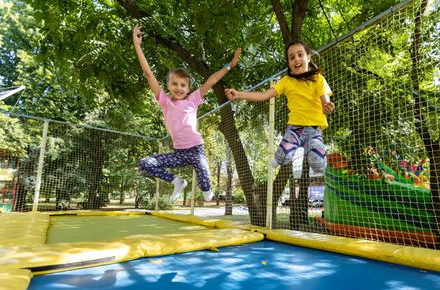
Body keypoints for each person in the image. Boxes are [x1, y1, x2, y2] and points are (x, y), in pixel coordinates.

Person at [133, 24, 241, 202]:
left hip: (196, 150)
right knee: (145, 163)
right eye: (174, 84)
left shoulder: (194, 99)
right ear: (168, 86)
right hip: (178, 153)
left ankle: (205, 187)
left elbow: (212, 79)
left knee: (207, 193)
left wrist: (230, 65)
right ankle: (177, 182)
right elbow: (148, 74)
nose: (178, 88)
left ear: (188, 88)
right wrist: (138, 45)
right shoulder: (164, 101)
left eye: (183, 85)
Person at [225, 40, 334, 174]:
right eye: (292, 57)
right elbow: (264, 95)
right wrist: (239, 95)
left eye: (300, 55)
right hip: (295, 129)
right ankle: (279, 157)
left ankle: (317, 164)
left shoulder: (318, 79)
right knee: (283, 157)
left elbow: (325, 100)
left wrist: (326, 106)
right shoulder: (286, 81)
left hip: (315, 130)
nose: (296, 59)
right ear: (289, 63)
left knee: (319, 165)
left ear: (308, 57)